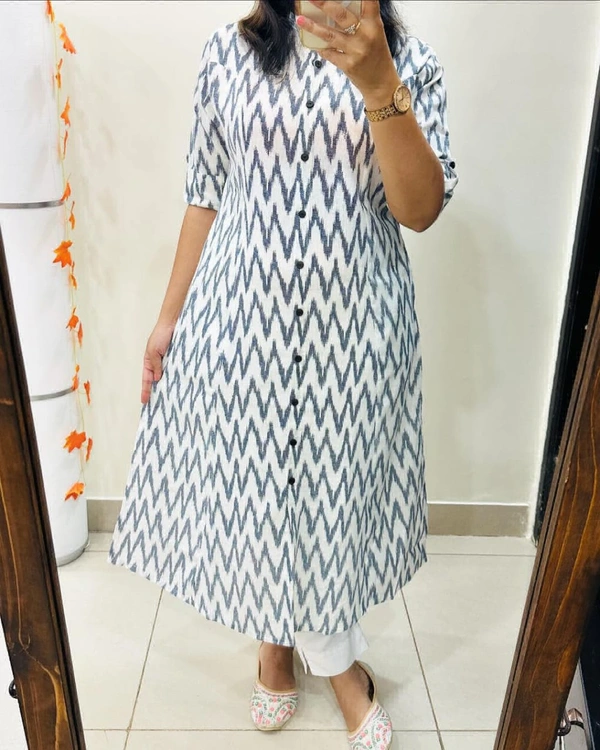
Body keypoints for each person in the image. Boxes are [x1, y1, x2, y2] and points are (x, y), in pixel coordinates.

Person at [107, 1, 458, 748]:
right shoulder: (226, 54)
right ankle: (277, 643)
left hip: (355, 332)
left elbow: (420, 209)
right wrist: (167, 320)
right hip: (242, 324)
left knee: (334, 501)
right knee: (260, 492)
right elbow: (205, 194)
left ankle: (333, 662)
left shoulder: (408, 63)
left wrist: (379, 85)